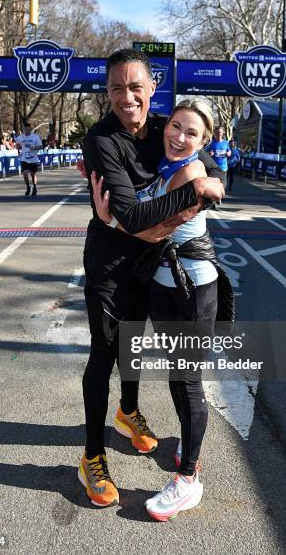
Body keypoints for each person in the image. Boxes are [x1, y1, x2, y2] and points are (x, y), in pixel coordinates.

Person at [79, 48, 225, 508]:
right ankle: (92, 455)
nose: (127, 98)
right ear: (107, 92)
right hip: (110, 263)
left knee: (133, 343)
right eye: (117, 88)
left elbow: (202, 158)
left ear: (152, 88)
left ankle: (128, 412)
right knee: (105, 351)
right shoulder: (101, 141)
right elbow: (131, 216)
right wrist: (185, 198)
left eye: (135, 87)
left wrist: (211, 181)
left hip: (151, 259)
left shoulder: (166, 124)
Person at [16, 122, 42, 196]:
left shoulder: (35, 137)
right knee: (25, 173)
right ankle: (28, 187)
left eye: (28, 130)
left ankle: (34, 187)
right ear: (24, 129)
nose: (27, 131)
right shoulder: (20, 137)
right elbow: (17, 145)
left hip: (33, 158)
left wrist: (34, 148)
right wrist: (18, 147)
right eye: (25, 130)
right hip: (24, 158)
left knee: (33, 174)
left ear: (30, 129)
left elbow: (40, 146)